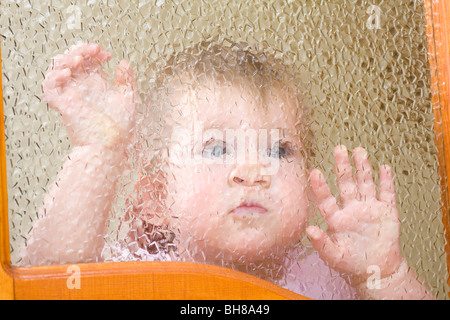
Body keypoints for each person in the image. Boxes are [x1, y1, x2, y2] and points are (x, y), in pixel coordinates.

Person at [20, 41, 434, 300]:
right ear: (156, 199)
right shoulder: (142, 272)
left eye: (280, 149)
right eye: (216, 148)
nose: (253, 170)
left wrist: (385, 274)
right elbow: (47, 285)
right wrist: (99, 149)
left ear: (309, 193)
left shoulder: (332, 280)